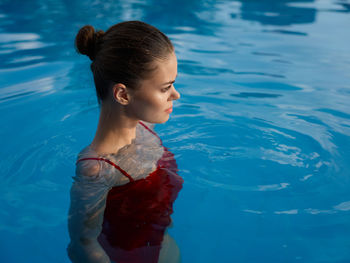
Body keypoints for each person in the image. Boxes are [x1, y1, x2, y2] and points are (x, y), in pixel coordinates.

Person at [67, 21, 183, 263]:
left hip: (161, 244)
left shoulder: (145, 127)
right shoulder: (97, 170)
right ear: (123, 94)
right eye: (165, 88)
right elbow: (82, 245)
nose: (176, 94)